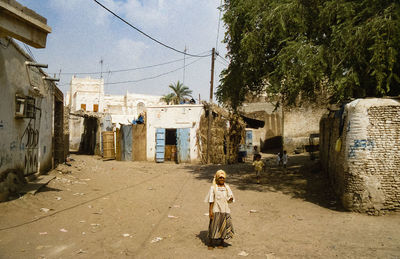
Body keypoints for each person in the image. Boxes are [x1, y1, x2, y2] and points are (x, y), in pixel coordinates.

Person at [204, 170, 235, 249]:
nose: (222, 179)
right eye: (220, 178)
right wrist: (210, 211)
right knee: (213, 226)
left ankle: (221, 241)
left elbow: (230, 198)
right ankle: (211, 243)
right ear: (217, 178)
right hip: (216, 209)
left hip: (225, 210)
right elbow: (211, 200)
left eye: (223, 178)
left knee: (223, 226)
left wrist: (230, 199)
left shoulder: (227, 187)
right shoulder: (213, 188)